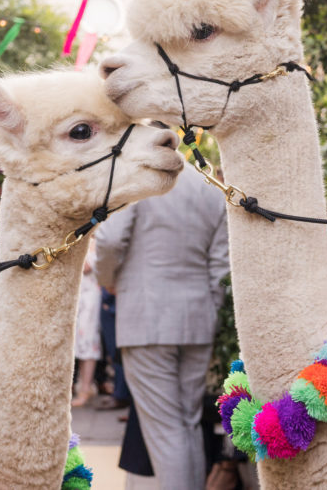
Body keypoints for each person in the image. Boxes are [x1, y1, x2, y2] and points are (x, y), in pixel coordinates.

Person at [94, 165, 230, 490]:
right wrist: (209, 308)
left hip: (146, 314)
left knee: (166, 429)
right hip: (198, 317)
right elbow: (221, 265)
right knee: (188, 423)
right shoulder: (209, 185)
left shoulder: (138, 175)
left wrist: (108, 280)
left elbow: (110, 239)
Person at [71, 240, 102, 407]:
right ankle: (82, 386)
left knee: (88, 341)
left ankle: (85, 389)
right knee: (77, 343)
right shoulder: (78, 240)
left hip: (89, 297)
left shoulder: (94, 242)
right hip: (77, 296)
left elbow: (86, 267)